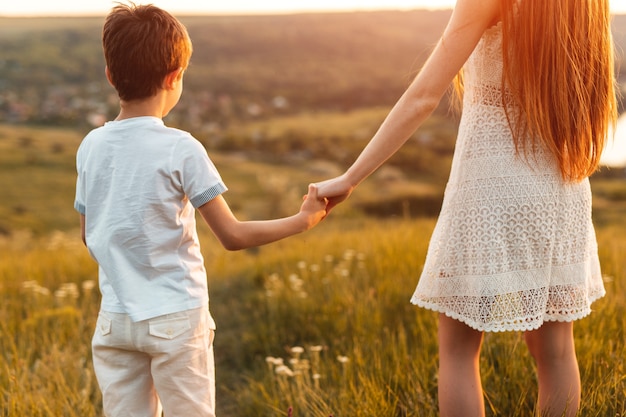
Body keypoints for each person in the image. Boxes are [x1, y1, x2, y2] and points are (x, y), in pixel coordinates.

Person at [315, 0, 617, 416]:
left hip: (490, 190)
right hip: (561, 189)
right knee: (556, 351)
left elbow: (423, 97)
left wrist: (349, 178)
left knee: (458, 349)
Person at [73, 4, 327, 416]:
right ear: (174, 78)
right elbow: (232, 236)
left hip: (114, 320)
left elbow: (89, 234)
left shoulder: (90, 146)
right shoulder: (181, 148)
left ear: (109, 74)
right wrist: (302, 220)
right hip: (175, 317)